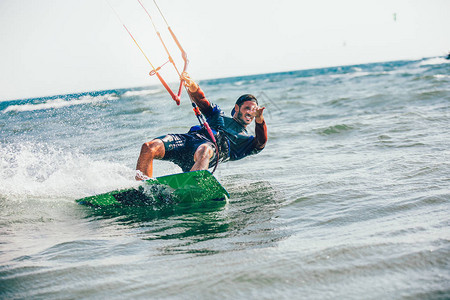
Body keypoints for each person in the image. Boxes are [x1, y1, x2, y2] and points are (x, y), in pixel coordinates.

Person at [135, 72, 267, 180]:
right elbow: (203, 102)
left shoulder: (246, 141)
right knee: (149, 147)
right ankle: (141, 190)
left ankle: (191, 186)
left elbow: (261, 143)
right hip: (188, 141)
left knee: (204, 150)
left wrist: (260, 120)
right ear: (237, 108)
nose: (251, 112)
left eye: (254, 110)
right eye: (247, 108)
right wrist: (193, 86)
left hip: (206, 154)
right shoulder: (218, 115)